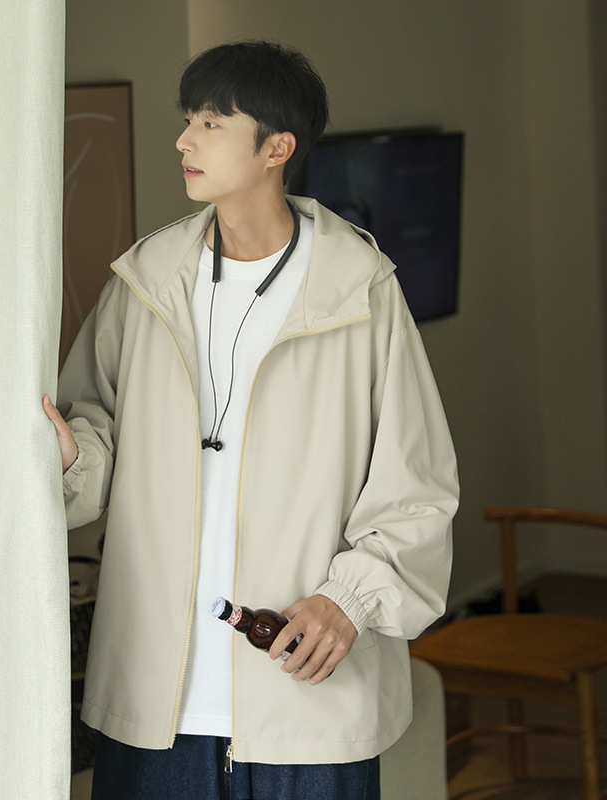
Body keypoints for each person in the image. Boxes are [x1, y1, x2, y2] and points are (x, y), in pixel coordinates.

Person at [44, 40, 458, 800]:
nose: (184, 140)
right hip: (154, 696)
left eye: (210, 123)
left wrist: (348, 601)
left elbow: (416, 488)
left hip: (306, 695)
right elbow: (94, 428)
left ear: (277, 148)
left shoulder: (359, 290)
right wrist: (72, 457)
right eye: (187, 119)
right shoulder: (145, 281)